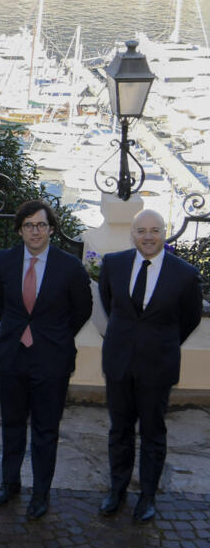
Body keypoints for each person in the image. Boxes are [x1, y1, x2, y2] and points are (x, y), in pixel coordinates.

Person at [0, 199, 92, 520]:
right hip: (11, 357)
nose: (36, 231)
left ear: (51, 229)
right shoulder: (4, 262)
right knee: (12, 424)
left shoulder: (70, 266)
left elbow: (82, 310)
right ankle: (10, 483)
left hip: (52, 360)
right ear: (20, 229)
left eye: (42, 225)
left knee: (46, 430)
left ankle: (41, 493)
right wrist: (21, 329)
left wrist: (53, 336)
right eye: (29, 225)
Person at [97, 209, 203, 523]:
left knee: (153, 433)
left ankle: (147, 496)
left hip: (158, 366)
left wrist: (160, 342)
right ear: (133, 233)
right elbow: (109, 303)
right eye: (141, 230)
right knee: (120, 431)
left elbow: (190, 318)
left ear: (164, 233)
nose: (147, 236)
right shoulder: (113, 264)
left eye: (154, 230)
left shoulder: (184, 274)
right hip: (119, 362)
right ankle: (116, 490)